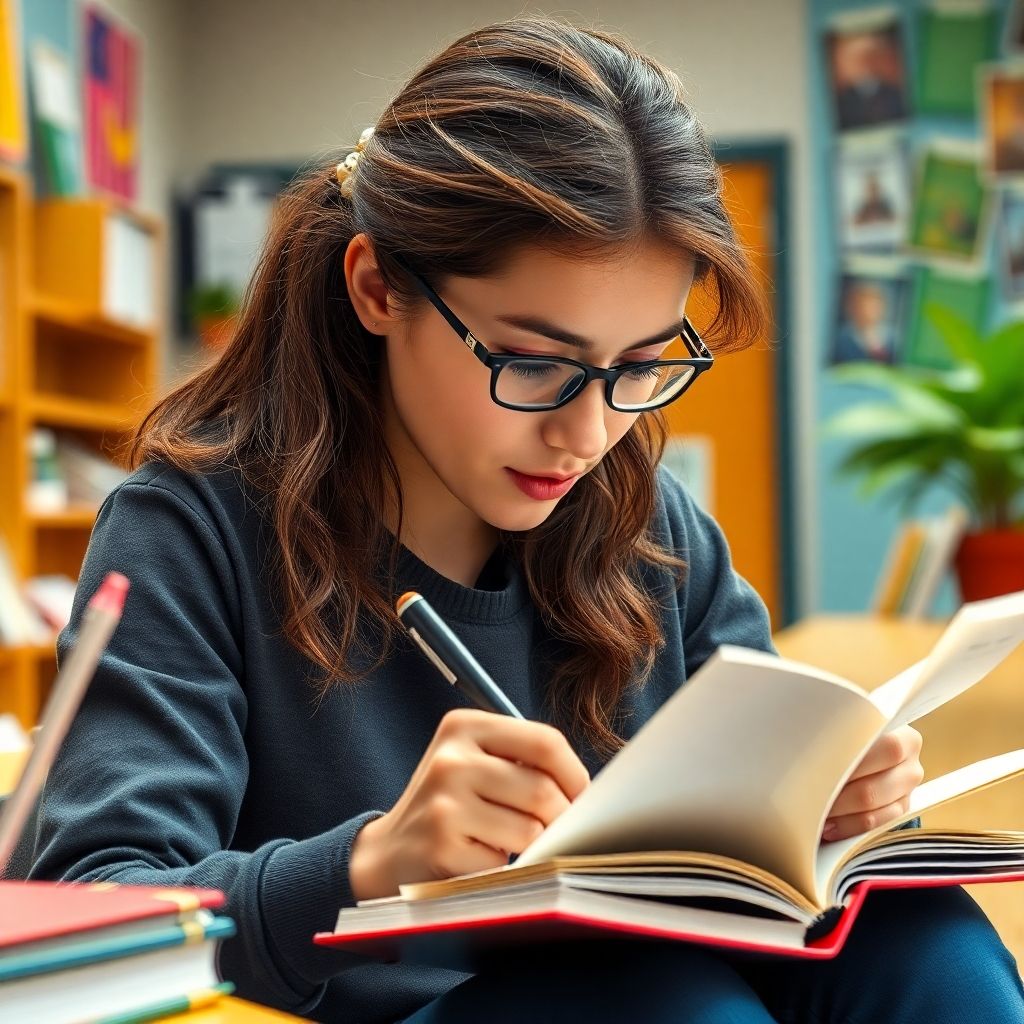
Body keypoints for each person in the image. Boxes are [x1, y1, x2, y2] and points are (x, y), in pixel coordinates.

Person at [26, 16, 1024, 1024]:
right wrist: (368, 861)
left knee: (922, 938)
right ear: (378, 287)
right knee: (661, 1007)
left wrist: (828, 805)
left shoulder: (652, 525)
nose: (587, 432)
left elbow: (763, 865)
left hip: (649, 986)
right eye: (534, 361)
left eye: (639, 366)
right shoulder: (191, 534)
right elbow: (89, 911)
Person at [833, 280, 899, 364]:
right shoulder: (841, 339)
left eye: (874, 307)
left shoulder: (893, 338)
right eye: (863, 306)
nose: (868, 312)